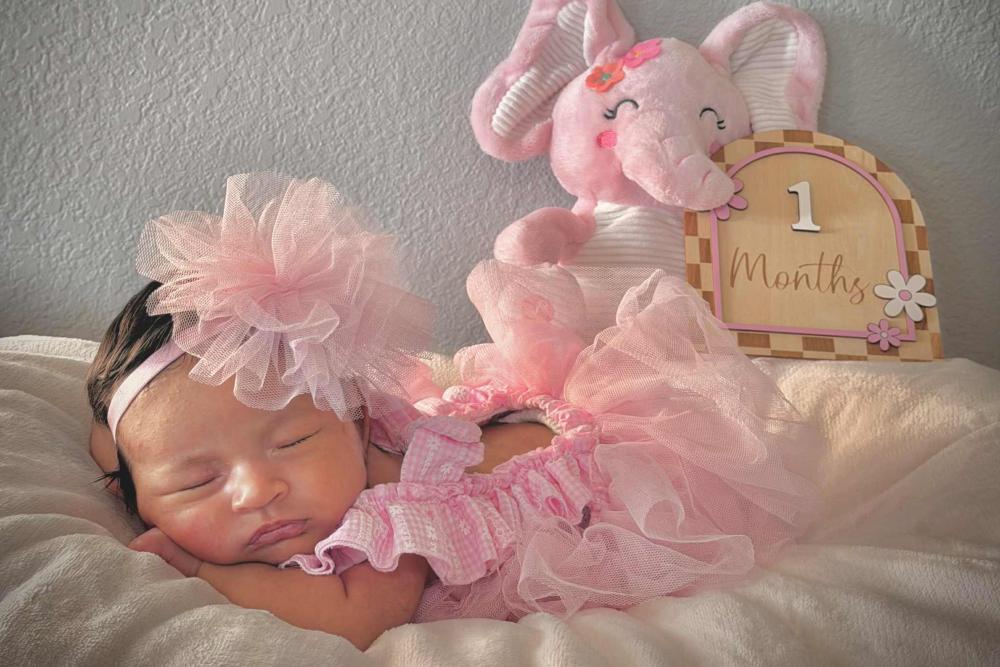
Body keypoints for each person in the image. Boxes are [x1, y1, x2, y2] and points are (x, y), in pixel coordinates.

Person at [87, 172, 822, 644]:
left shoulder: (394, 515)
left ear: (357, 422)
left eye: (292, 441)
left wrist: (194, 564)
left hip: (595, 477)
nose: (258, 489)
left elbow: (356, 617)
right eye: (196, 481)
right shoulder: (179, 457)